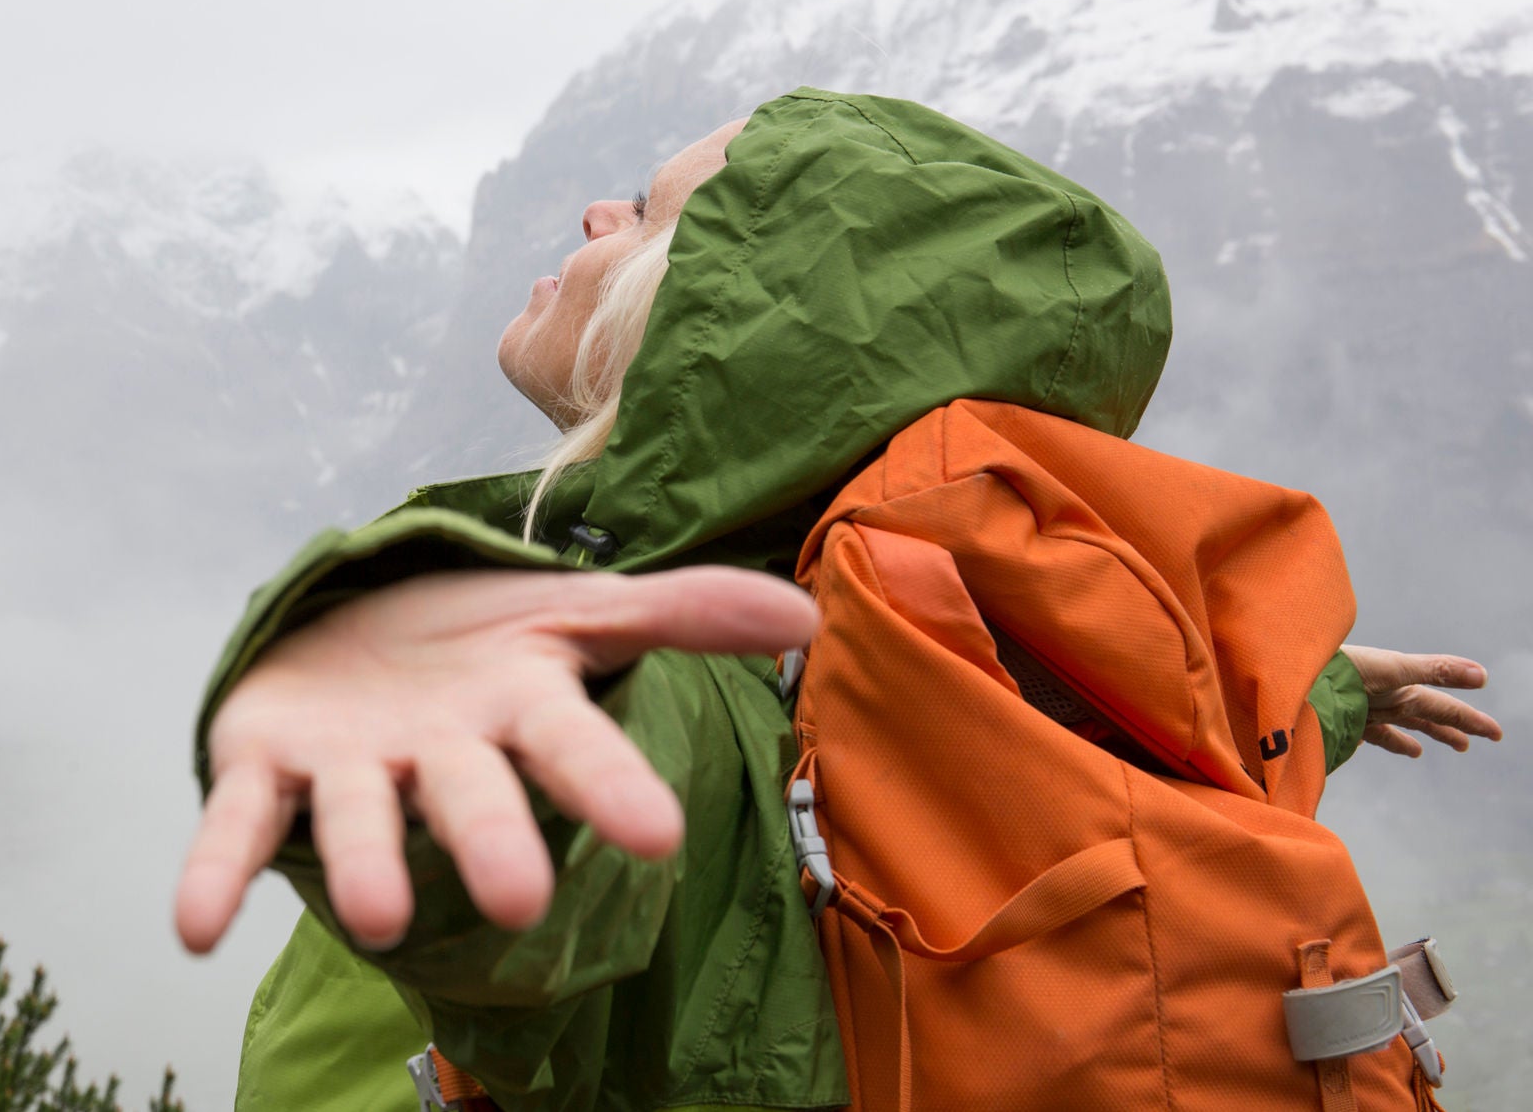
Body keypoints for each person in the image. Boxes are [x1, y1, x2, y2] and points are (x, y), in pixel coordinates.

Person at [176, 89, 1502, 1111]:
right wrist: (1305, 687)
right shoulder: (921, 672)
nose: (595, 218)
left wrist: (407, 681)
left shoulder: (675, 681)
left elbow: (557, 828)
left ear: (717, 330)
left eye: (646, 216)